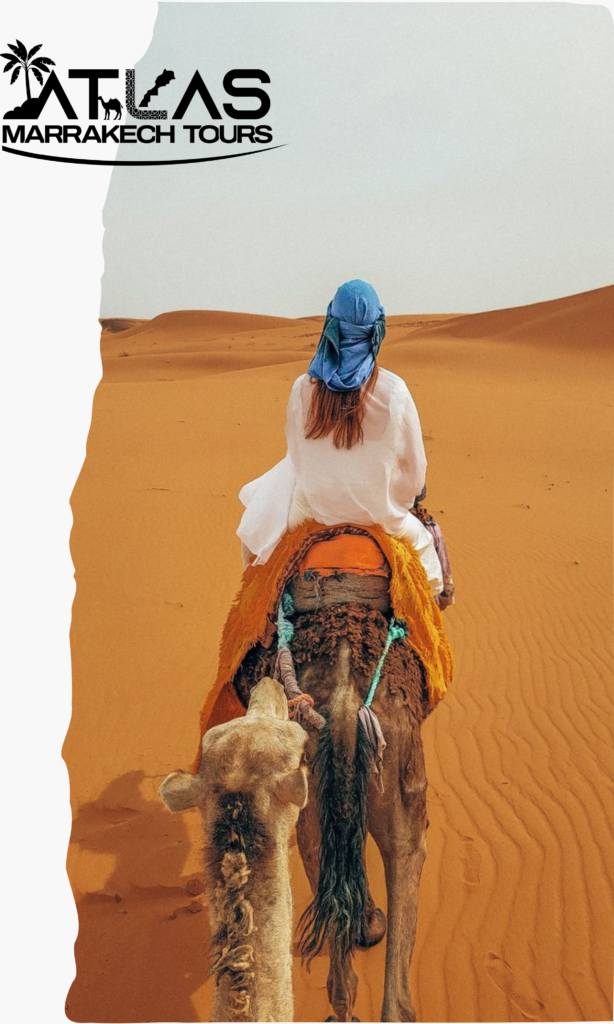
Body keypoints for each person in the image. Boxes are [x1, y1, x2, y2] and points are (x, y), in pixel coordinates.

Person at [237, 279, 444, 598]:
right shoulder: (395, 392)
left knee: (259, 552)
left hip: (313, 510)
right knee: (430, 571)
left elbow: (297, 457)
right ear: (377, 330)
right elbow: (415, 471)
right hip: (381, 517)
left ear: (331, 325)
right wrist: (393, 503)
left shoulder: (303, 389)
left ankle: (256, 625)